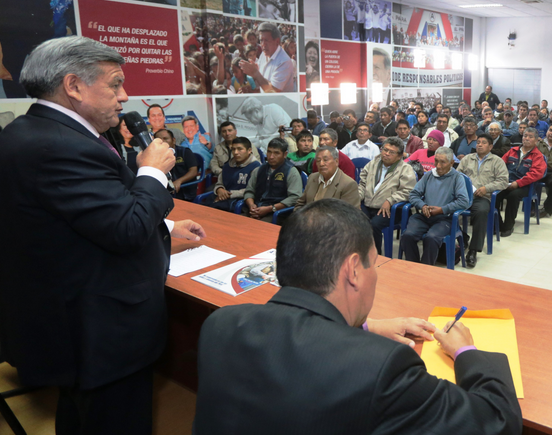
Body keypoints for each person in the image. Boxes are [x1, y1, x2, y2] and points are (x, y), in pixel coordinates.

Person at [0, 37, 205, 434]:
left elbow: (82, 214)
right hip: (97, 331)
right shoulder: (58, 146)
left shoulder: (32, 131)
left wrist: (164, 226)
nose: (124, 96)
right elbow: (125, 229)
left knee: (82, 416)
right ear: (74, 86)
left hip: (70, 317)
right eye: (115, 84)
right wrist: (152, 171)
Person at [194, 199, 522, 434]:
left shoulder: (220, 324)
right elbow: (498, 420)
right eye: (373, 263)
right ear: (353, 270)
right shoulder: (381, 366)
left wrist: (366, 326)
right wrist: (466, 351)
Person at [400, 147, 471, 265]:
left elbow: (464, 201)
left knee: (431, 238)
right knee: (407, 236)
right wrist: (423, 205)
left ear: (451, 163)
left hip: (445, 218)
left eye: (443, 162)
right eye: (436, 161)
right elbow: (413, 194)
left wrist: (442, 210)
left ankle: (425, 269)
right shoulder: (429, 175)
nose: (438, 165)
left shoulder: (457, 178)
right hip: (424, 216)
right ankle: (413, 266)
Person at [457, 133, 510, 268]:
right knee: (447, 209)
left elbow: (503, 181)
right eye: (478, 142)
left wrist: (486, 188)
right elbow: (457, 176)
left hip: (482, 198)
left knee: (481, 212)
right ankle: (462, 237)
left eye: (483, 143)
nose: (479, 145)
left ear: (490, 146)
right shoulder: (467, 159)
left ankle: (473, 250)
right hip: (464, 196)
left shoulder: (497, 161)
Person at [359, 137, 417, 254]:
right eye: (385, 150)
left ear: (399, 156)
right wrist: (357, 198)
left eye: (391, 152)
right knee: (355, 220)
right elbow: (362, 183)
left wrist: (391, 200)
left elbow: (408, 191)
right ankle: (360, 254)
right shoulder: (373, 163)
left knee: (374, 225)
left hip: (391, 209)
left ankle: (376, 256)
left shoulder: (405, 169)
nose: (386, 154)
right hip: (368, 204)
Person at [496, 128, 547, 237]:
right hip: (506, 182)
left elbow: (536, 174)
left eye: (530, 137)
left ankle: (508, 226)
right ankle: (497, 224)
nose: (526, 138)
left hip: (525, 186)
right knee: (493, 195)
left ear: (536, 140)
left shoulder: (537, 155)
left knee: (513, 196)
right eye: (525, 136)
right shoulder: (512, 151)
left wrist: (518, 183)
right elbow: (500, 165)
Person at [243, 138, 303, 222]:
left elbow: (295, 197)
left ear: (285, 154)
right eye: (269, 152)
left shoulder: (291, 172)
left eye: (276, 153)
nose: (271, 156)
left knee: (256, 226)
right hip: (256, 208)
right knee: (236, 222)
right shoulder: (259, 169)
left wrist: (270, 208)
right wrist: (251, 205)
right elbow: (249, 191)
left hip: (277, 213)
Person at [204, 136, 261, 211]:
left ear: (249, 150)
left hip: (239, 201)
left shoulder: (256, 167)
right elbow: (220, 183)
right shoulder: (227, 165)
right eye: (233, 149)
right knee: (201, 206)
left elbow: (254, 189)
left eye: (240, 149)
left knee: (212, 210)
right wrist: (219, 189)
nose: (236, 152)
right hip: (223, 197)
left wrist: (230, 194)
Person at [295, 146, 359, 209]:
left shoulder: (348, 184)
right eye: (318, 160)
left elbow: (349, 213)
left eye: (325, 160)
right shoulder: (312, 177)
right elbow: (300, 204)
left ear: (336, 162)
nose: (321, 164)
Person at [240, 22, 295, 93]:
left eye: (266, 40)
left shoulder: (284, 62)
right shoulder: (264, 54)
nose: (263, 44)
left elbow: (273, 91)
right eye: (261, 40)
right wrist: (251, 91)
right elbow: (262, 82)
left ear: (277, 41)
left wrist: (255, 73)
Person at [154, 128, 199, 201]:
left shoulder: (185, 152)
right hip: (164, 191)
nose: (163, 142)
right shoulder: (154, 156)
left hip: (185, 190)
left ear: (173, 140)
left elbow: (193, 171)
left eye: (166, 139)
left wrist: (179, 181)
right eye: (159, 140)